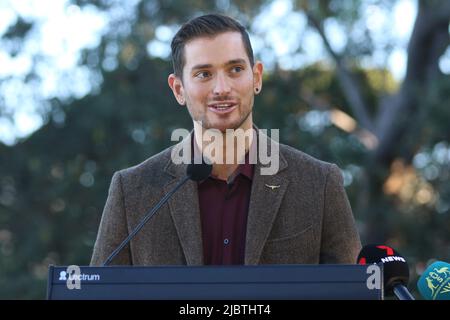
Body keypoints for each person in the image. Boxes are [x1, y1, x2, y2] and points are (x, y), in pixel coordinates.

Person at [90, 13, 361, 266]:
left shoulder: (320, 184)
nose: (222, 89)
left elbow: (352, 293)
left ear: (256, 77)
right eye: (204, 74)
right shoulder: (132, 191)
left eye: (235, 70)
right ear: (179, 89)